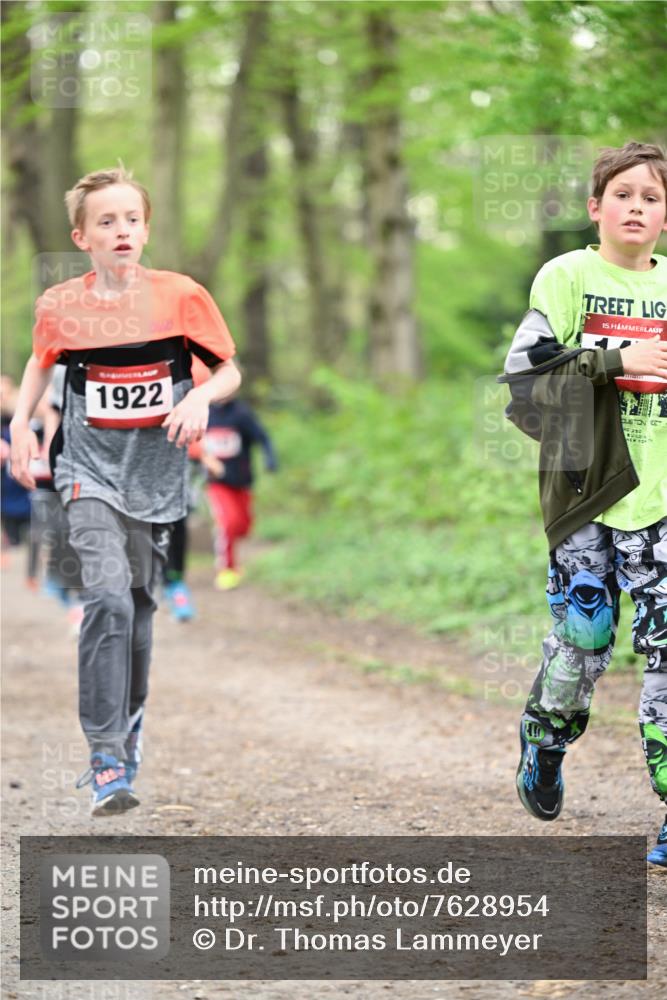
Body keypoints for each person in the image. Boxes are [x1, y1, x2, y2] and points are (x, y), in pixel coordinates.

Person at [10, 166, 240, 815]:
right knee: (106, 597)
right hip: (87, 471)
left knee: (138, 608)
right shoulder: (62, 304)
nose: (121, 231)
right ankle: (105, 757)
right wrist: (25, 426)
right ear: (82, 236)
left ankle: (129, 722)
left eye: (131, 220)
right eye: (106, 221)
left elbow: (229, 371)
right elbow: (39, 359)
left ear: (145, 230)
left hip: (156, 476)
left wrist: (198, 395)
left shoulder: (181, 296)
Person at [500, 141, 667, 866]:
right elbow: (520, 383)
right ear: (595, 207)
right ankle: (544, 738)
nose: (636, 206)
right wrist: (612, 362)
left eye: (650, 196)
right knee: (586, 639)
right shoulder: (566, 276)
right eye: (622, 194)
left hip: (663, 501)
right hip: (586, 494)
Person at [199, 395, 277, 590]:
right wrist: (204, 460)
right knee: (228, 523)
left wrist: (270, 457)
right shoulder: (203, 413)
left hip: (241, 481)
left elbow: (262, 437)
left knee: (242, 527)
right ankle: (227, 569)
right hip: (217, 483)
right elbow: (192, 444)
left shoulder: (241, 413)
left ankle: (231, 555)